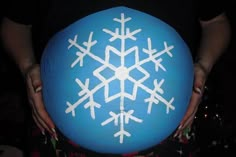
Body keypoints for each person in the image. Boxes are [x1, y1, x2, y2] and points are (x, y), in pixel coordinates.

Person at [0, 0, 231, 156]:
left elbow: (215, 22)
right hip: (58, 132)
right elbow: (16, 24)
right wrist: (27, 66)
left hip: (171, 134)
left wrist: (203, 65)